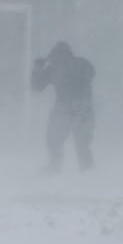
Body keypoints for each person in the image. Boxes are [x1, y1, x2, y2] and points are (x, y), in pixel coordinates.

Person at [31, 41, 95, 173]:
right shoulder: (59, 66)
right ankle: (83, 169)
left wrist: (40, 68)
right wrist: (38, 69)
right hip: (73, 105)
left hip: (75, 105)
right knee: (61, 138)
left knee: (76, 140)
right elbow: (37, 87)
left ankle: (81, 169)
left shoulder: (70, 64)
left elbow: (37, 87)